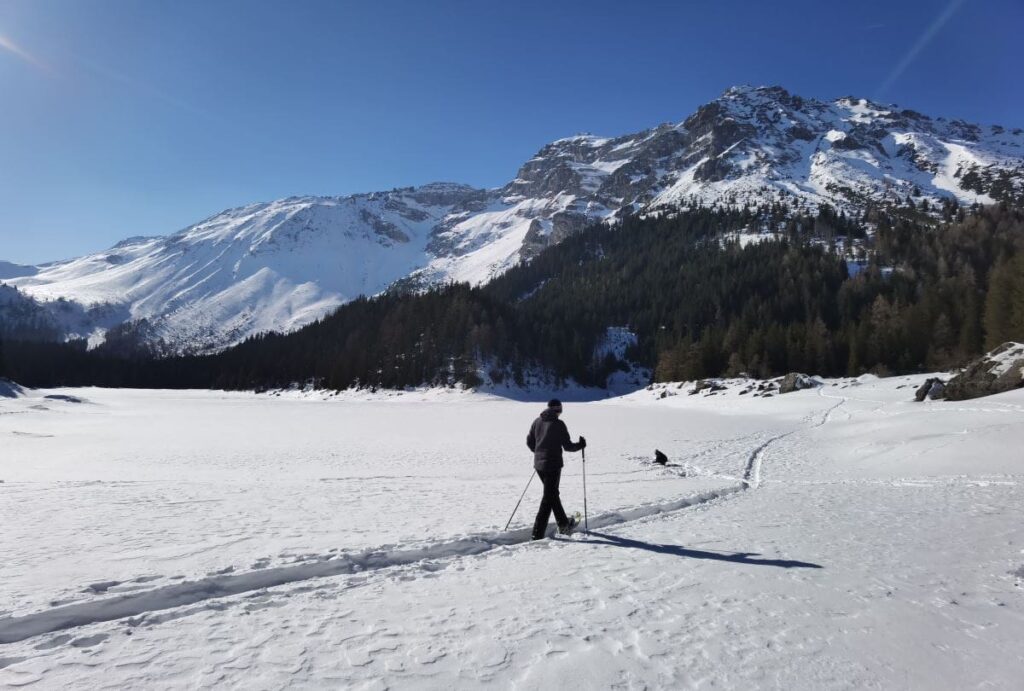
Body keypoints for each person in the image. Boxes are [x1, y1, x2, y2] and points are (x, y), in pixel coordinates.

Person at [526, 398, 586, 540]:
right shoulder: (559, 424)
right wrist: (581, 445)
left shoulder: (537, 421)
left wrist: (539, 453)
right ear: (558, 409)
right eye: (560, 408)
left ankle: (564, 524)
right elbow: (567, 446)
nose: (560, 411)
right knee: (548, 499)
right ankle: (537, 534)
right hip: (552, 466)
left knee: (552, 495)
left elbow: (529, 441)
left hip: (539, 465)